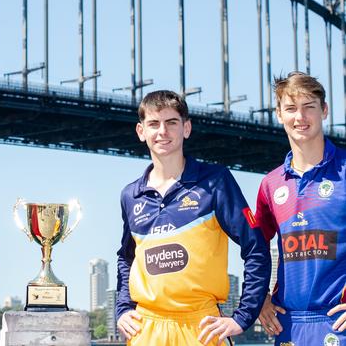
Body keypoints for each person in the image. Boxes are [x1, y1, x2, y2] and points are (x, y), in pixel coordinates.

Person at [115, 90, 271, 345]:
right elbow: (126, 257)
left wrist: (243, 317)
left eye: (171, 123)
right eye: (153, 124)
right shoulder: (131, 195)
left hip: (201, 327)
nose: (162, 132)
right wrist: (123, 308)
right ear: (141, 132)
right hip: (146, 328)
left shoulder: (215, 182)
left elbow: (256, 246)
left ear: (186, 128)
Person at [256, 72, 346, 345]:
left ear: (325, 110)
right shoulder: (271, 183)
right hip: (288, 326)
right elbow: (254, 247)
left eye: (309, 107)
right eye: (291, 109)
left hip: (338, 322)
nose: (300, 117)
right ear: (279, 114)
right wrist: (258, 297)